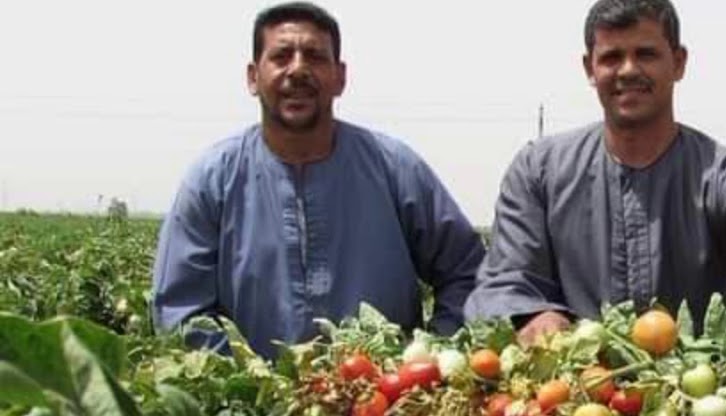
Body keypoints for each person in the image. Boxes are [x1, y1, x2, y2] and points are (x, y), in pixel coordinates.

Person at [464, 0, 726, 346]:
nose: (628, 70)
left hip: (696, 396)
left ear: (679, 62)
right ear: (590, 68)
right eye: (612, 57)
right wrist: (533, 316)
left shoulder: (724, 178)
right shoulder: (539, 172)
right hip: (570, 392)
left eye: (646, 54)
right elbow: (506, 281)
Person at [152, 2, 483, 358]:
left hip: (384, 391)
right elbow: (180, 312)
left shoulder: (395, 169)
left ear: (340, 77)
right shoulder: (212, 180)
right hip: (249, 394)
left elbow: (468, 273)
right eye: (281, 56)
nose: (298, 69)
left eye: (314, 56)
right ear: (253, 77)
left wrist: (427, 358)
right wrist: (244, 383)